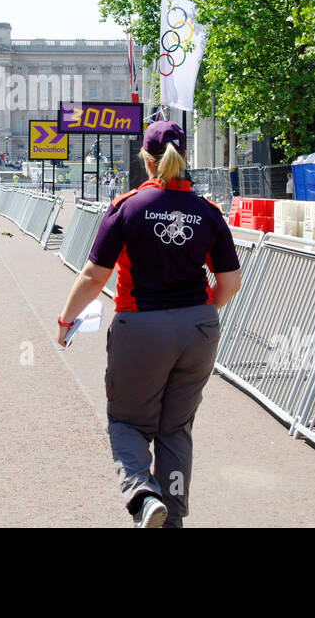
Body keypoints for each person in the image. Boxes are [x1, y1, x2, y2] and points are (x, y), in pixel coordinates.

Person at [56, 120, 242, 528]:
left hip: (141, 327)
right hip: (198, 328)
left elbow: (93, 277)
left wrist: (66, 320)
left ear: (145, 158)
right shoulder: (208, 213)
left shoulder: (127, 207)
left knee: (127, 422)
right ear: (184, 157)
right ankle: (171, 518)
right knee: (175, 430)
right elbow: (229, 283)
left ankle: (141, 492)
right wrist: (198, 312)